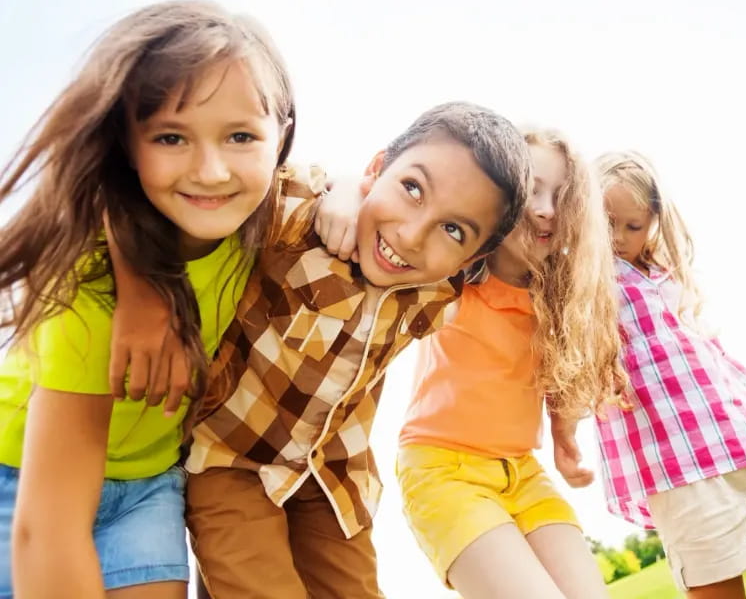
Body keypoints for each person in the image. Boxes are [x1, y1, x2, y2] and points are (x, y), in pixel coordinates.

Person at [108, 102, 533, 598]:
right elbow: (269, 174)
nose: (412, 235)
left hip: (332, 476)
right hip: (230, 460)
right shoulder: (300, 218)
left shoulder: (437, 294)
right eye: (411, 189)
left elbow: (542, 254)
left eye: (453, 230)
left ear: (471, 258)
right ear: (378, 168)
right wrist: (345, 186)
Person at [0, 0, 296, 598]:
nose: (211, 171)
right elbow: (49, 530)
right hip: (22, 478)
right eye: (170, 137)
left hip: (150, 483)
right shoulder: (87, 283)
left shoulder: (267, 222)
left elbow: (329, 188)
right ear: (125, 146)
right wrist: (138, 285)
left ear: (281, 135)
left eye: (241, 135)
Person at [318, 128, 624, 598]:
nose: (546, 208)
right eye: (533, 189)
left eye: (562, 197)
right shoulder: (450, 277)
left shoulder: (557, 299)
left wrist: (564, 439)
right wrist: (342, 191)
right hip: (444, 472)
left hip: (522, 472)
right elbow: (376, 196)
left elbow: (557, 376)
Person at [588, 150, 746, 599]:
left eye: (634, 226)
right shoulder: (584, 282)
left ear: (654, 221)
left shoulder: (671, 275)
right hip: (678, 462)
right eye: (607, 223)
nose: (619, 238)